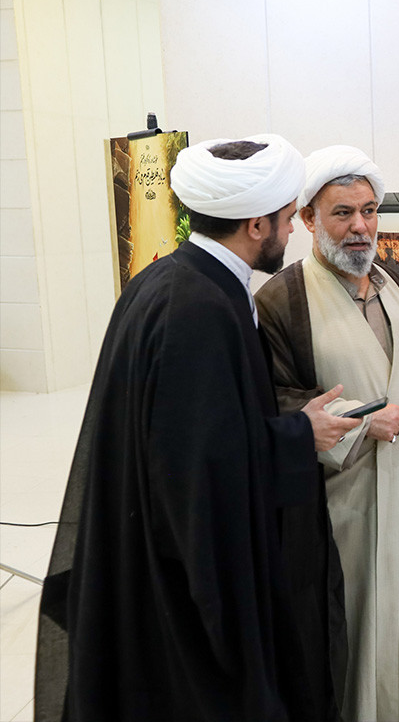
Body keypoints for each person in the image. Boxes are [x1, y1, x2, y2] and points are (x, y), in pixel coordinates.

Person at [34, 136, 359, 722]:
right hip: (177, 597)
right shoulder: (199, 309)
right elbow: (197, 478)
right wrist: (298, 434)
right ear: (256, 225)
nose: (292, 231)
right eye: (288, 218)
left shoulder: (173, 280)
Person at [256, 146, 399, 722]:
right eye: (343, 213)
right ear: (308, 219)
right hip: (335, 509)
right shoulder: (281, 300)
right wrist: (360, 420)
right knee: (343, 633)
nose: (360, 227)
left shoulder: (392, 283)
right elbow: (271, 401)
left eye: (369, 211)